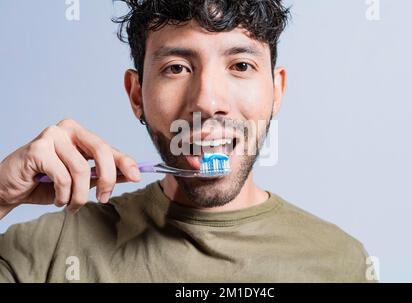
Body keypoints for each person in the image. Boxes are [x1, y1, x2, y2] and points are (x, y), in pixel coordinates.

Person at [0, 0, 371, 282]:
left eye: (241, 66)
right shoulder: (47, 251)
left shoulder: (342, 263)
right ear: (136, 95)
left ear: (277, 92)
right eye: (177, 68)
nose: (207, 102)